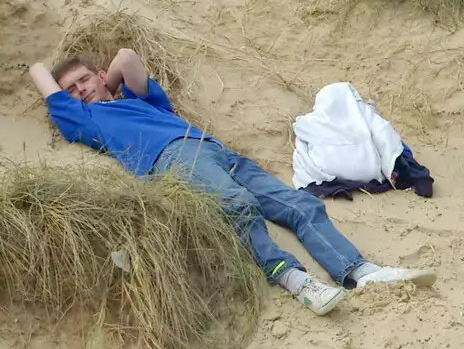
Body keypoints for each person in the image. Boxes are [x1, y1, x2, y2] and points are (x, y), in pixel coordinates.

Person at [29, 49, 434, 316]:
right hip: (170, 157)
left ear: (101, 77)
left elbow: (127, 58)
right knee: (237, 205)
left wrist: (111, 81)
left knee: (300, 204)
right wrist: (82, 89)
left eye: (85, 80)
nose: (80, 90)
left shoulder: (141, 101)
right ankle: (295, 279)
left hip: (214, 148)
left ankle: (357, 270)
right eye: (72, 89)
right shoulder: (84, 120)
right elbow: (38, 73)